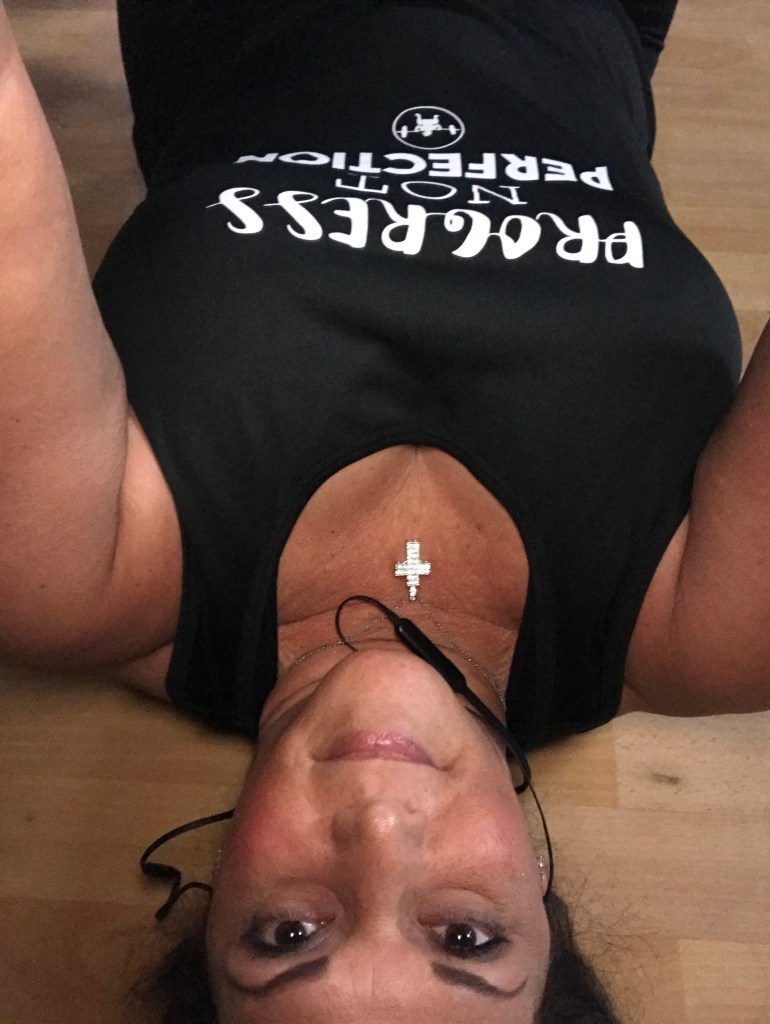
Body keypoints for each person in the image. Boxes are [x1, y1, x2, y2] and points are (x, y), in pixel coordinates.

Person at [1, 0, 767, 1021]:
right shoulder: (713, 627)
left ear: (216, 895)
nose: (380, 824)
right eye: (465, 937)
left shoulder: (69, 580)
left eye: (289, 933)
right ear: (540, 901)